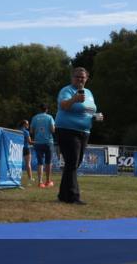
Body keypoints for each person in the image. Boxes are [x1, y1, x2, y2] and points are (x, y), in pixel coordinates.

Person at [55, 67, 102, 205]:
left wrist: (95, 116)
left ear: (87, 78)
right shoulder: (66, 90)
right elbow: (63, 105)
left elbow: (88, 110)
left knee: (75, 163)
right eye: (77, 76)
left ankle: (63, 195)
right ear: (72, 77)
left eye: (82, 77)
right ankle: (73, 196)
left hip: (84, 131)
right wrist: (74, 99)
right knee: (72, 162)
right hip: (67, 130)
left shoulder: (89, 92)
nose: (80, 79)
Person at [30, 103, 56, 188]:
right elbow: (52, 130)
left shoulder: (35, 118)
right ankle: (48, 181)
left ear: (40, 109)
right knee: (48, 162)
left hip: (38, 142)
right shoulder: (50, 117)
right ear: (47, 109)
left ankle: (40, 182)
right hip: (48, 142)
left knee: (40, 162)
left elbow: (31, 131)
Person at [20, 120, 33, 185]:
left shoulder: (18, 131)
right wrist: (38, 142)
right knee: (28, 164)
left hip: (19, 148)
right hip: (26, 148)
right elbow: (30, 142)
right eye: (27, 124)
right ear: (24, 124)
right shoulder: (26, 132)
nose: (28, 125)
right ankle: (30, 178)